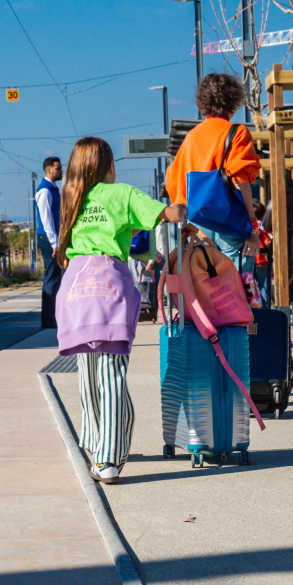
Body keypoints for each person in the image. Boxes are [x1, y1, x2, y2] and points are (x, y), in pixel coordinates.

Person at [54, 137, 186, 485]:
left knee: (87, 375)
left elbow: (65, 250)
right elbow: (168, 214)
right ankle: (109, 458)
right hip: (109, 288)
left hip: (75, 290)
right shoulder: (122, 194)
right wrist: (181, 207)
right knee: (112, 374)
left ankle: (94, 445)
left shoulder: (71, 197)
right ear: (109, 166)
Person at [165, 73, 261, 270]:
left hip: (198, 225)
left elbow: (175, 181)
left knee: (205, 283)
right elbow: (240, 181)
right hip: (229, 221)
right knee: (236, 282)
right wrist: (252, 227)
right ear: (233, 101)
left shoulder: (191, 137)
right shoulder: (237, 132)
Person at [34, 156, 63, 328]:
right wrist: (54, 244)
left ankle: (54, 317)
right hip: (48, 238)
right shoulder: (44, 191)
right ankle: (48, 320)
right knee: (52, 278)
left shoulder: (53, 189)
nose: (61, 171)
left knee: (56, 278)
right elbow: (46, 220)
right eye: (58, 168)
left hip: (52, 238)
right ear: (49, 170)